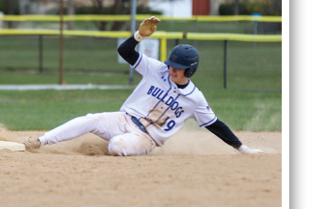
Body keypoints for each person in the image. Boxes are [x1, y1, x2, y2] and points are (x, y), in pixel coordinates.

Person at [20, 16, 263, 156]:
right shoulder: (157, 69)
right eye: (171, 64)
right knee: (90, 119)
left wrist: (242, 148)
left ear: (190, 70)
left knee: (116, 146)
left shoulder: (195, 99)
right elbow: (124, 51)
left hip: (146, 138)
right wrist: (139, 36)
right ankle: (41, 141)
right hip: (124, 119)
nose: (171, 69)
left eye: (177, 67)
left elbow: (215, 125)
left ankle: (121, 145)